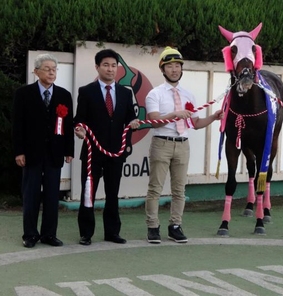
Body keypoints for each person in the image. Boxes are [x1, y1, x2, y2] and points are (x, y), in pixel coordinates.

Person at [145, 46, 223, 244]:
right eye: (169, 66)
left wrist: (214, 117)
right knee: (155, 188)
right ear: (163, 70)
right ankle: (153, 227)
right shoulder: (155, 94)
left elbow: (195, 124)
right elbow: (153, 120)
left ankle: (175, 226)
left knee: (180, 190)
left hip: (182, 144)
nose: (174, 69)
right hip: (161, 143)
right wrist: (173, 115)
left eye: (177, 66)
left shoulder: (188, 94)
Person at [74, 49, 140, 246]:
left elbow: (129, 118)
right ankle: (86, 233)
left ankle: (112, 232)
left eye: (113, 65)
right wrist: (79, 129)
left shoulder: (125, 92)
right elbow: (79, 119)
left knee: (113, 193)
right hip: (92, 151)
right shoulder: (86, 92)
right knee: (89, 193)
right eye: (106, 65)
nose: (110, 69)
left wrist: (133, 123)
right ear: (97, 67)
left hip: (115, 153)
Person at [12, 53, 74, 248]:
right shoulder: (23, 94)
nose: (51, 72)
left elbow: (68, 125)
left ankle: (49, 234)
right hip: (31, 152)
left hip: (55, 152)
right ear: (36, 71)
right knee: (31, 194)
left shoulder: (64, 95)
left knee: (52, 194)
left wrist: (69, 150)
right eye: (47, 69)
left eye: (54, 69)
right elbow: (17, 125)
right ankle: (30, 234)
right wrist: (19, 151)